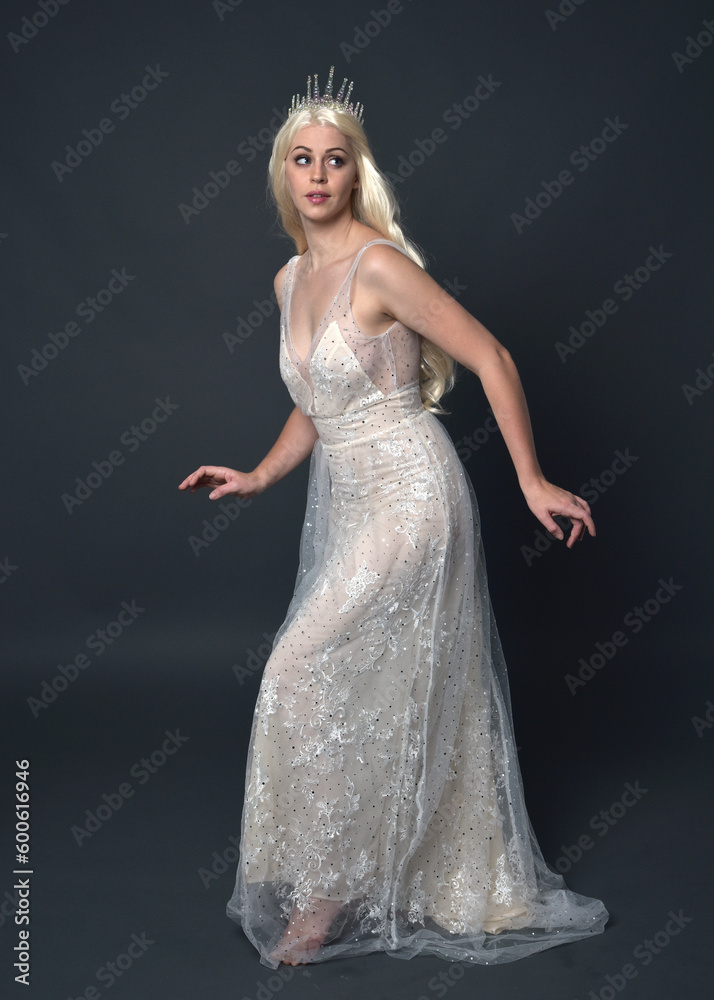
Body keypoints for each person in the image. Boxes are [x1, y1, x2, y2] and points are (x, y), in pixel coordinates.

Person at [178, 67, 608, 969]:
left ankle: (328, 890)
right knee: (364, 683)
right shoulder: (290, 278)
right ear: (283, 173)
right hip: (352, 498)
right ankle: (387, 864)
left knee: (298, 667)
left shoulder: (379, 264)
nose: (318, 174)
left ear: (355, 171)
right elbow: (317, 401)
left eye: (335, 159)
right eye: (302, 159)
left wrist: (530, 480)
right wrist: (259, 476)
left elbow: (492, 355)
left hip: (414, 495)